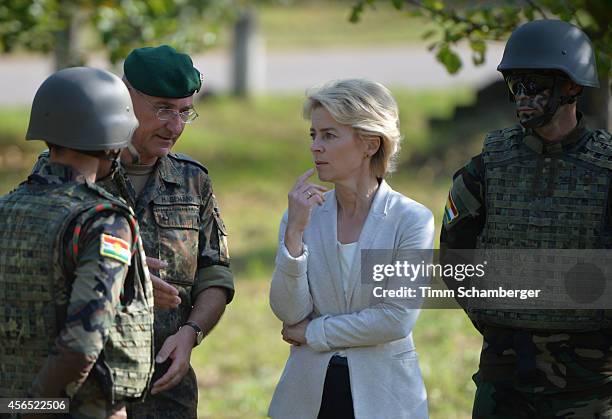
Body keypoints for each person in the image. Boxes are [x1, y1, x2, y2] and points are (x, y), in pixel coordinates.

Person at [32, 45, 234, 418]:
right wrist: (125, 281)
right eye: (163, 109)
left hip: (165, 391)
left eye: (184, 112)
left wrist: (191, 333)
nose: (174, 126)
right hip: (78, 392)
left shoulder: (192, 181)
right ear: (124, 98)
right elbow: (30, 265)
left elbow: (215, 273)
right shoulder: (68, 169)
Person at [441, 20, 612, 418]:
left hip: (590, 381)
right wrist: (497, 319)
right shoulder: (486, 167)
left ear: (571, 88)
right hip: (506, 374)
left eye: (535, 85)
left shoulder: (606, 169)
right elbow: (454, 259)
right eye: (516, 85)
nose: (523, 97)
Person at [268, 79, 434, 419]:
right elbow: (289, 313)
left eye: (329, 135)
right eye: (313, 135)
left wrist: (314, 332)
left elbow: (395, 318)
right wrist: (295, 236)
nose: (316, 146)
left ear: (370, 144)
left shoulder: (412, 221)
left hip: (385, 398)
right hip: (307, 398)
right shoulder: (301, 214)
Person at [0, 67, 155, 418]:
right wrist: (33, 407)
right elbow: (83, 343)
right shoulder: (103, 221)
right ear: (113, 138)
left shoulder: (5, 208)